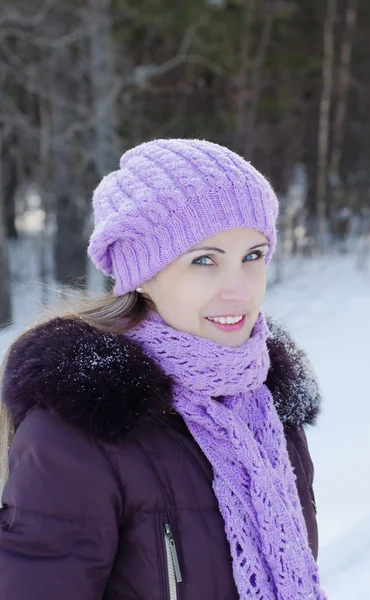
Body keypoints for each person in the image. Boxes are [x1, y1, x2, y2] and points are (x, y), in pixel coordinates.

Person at [0, 139, 327, 599]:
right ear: (144, 273)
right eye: (204, 260)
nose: (239, 291)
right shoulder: (81, 427)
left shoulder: (265, 405)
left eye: (252, 256)